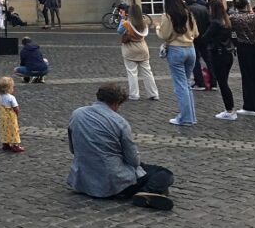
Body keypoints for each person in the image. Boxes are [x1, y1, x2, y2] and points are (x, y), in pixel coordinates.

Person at [67, 83, 175, 211]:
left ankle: (147, 192)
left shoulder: (76, 114)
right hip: (113, 182)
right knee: (164, 173)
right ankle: (147, 192)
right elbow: (133, 160)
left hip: (83, 180)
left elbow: (73, 149)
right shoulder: (119, 122)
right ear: (116, 103)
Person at [157, 0, 198, 125]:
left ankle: (185, 118)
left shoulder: (168, 15)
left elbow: (165, 35)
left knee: (180, 85)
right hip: (191, 49)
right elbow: (196, 33)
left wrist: (158, 29)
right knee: (186, 84)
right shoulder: (189, 13)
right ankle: (191, 116)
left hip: (176, 50)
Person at [197, 0, 237, 120]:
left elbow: (204, 38)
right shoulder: (227, 21)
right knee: (224, 82)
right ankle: (230, 109)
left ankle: (229, 110)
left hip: (218, 55)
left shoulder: (215, 23)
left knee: (223, 83)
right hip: (228, 54)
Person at [229, 0, 255, 116]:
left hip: (243, 47)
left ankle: (250, 105)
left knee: (247, 76)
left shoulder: (233, 18)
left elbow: (232, 33)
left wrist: (235, 42)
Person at [117, 4, 158, 101]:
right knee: (147, 72)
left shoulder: (127, 23)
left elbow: (119, 31)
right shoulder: (144, 22)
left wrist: (123, 19)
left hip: (130, 49)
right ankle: (153, 93)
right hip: (142, 48)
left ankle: (134, 95)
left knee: (132, 72)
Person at [184, 0, 216, 91]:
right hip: (205, 38)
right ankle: (213, 83)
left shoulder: (187, 10)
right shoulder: (204, 8)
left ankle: (200, 82)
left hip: (193, 38)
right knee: (208, 60)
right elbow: (209, 23)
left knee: (195, 61)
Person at [0, 76, 24, 152]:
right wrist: (17, 114)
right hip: (10, 117)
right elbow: (16, 107)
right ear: (8, 88)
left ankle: (5, 143)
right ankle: (15, 145)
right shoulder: (11, 98)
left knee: (5, 129)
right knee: (13, 130)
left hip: (2, 117)